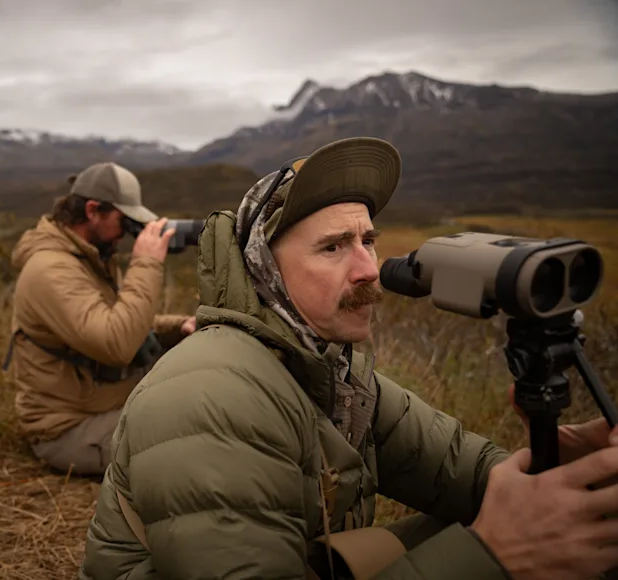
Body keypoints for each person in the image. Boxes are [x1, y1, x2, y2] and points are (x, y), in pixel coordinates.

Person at [79, 138, 618, 580]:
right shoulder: (211, 397)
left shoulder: (332, 371)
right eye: (332, 247)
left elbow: (463, 470)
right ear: (264, 272)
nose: (368, 270)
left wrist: (558, 470)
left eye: (368, 240)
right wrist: (495, 556)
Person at [5, 161, 196, 477]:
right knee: (197, 436)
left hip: (106, 403)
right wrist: (146, 263)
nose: (125, 234)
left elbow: (117, 319)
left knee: (201, 392)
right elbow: (116, 343)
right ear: (93, 211)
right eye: (124, 221)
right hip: (70, 429)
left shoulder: (90, 256)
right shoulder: (51, 270)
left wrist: (178, 327)